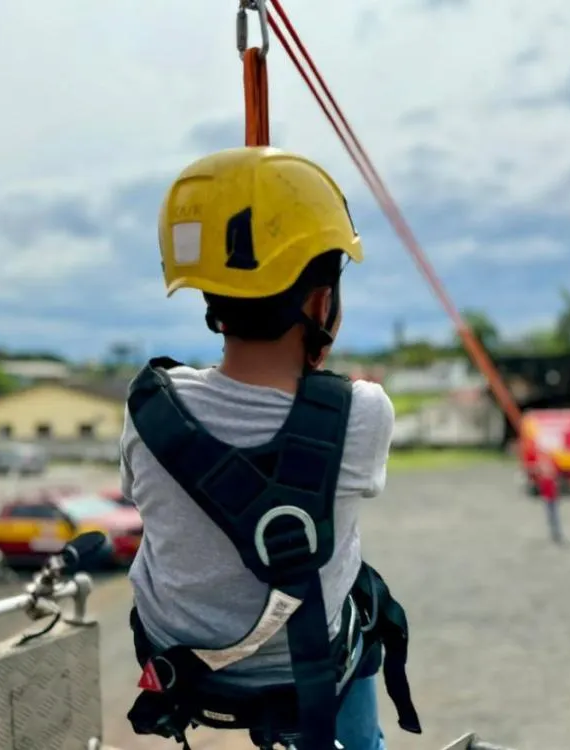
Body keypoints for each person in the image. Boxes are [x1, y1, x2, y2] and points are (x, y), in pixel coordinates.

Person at [121, 146, 421, 750]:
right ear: (321, 302)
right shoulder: (362, 413)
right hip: (303, 667)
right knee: (358, 592)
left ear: (209, 297)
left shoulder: (149, 406)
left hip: (181, 660)